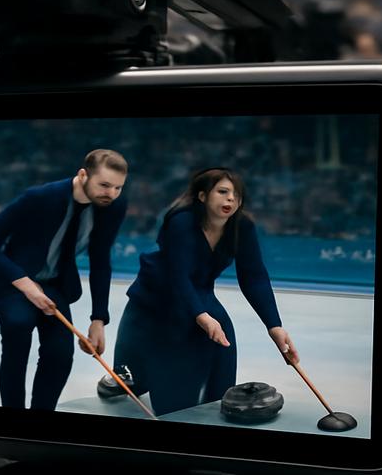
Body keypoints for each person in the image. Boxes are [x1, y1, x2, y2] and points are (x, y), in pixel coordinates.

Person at [112, 168, 299, 416]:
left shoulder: (242, 226)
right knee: (146, 387)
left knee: (221, 349)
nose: (231, 199)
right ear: (202, 196)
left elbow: (254, 277)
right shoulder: (181, 222)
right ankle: (132, 379)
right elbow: (178, 278)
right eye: (223, 192)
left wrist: (274, 326)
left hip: (198, 294)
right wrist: (200, 315)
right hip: (155, 302)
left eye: (237, 195)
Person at [0, 149, 129, 410]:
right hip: (14, 280)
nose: (110, 194)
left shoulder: (111, 206)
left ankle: (41, 420)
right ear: (83, 175)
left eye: (118, 188)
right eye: (104, 185)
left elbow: (100, 260)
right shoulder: (40, 197)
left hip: (55, 283)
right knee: (18, 327)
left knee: (60, 354)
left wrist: (98, 319)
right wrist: (25, 285)